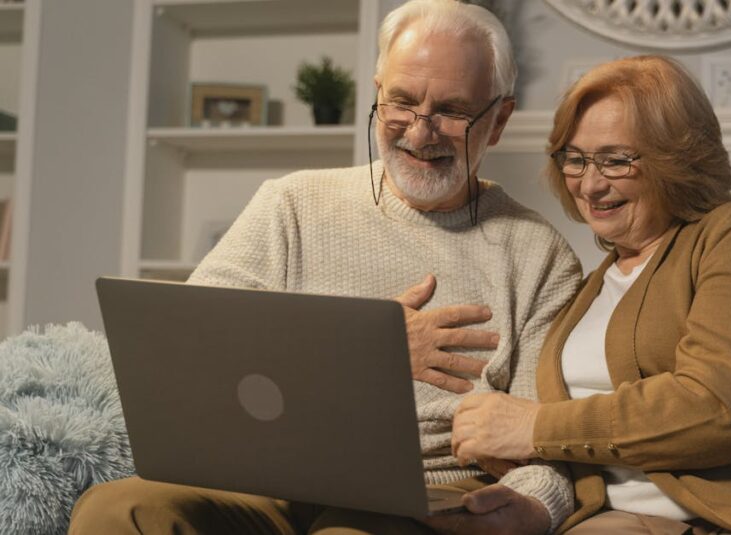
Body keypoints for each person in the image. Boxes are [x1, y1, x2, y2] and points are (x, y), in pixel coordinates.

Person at [68, 1, 581, 534]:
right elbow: (189, 352)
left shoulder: (538, 257)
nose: (421, 132)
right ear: (377, 92)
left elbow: (547, 442)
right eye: (401, 102)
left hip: (426, 493)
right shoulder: (291, 204)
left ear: (498, 120)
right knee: (114, 509)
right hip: (262, 479)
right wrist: (365, 352)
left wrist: (535, 508)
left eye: (451, 110)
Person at [449, 55, 731, 535]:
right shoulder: (590, 288)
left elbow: (718, 408)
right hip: (620, 521)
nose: (590, 184)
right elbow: (586, 445)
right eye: (576, 158)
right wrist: (506, 459)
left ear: (676, 158)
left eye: (616, 159)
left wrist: (534, 429)